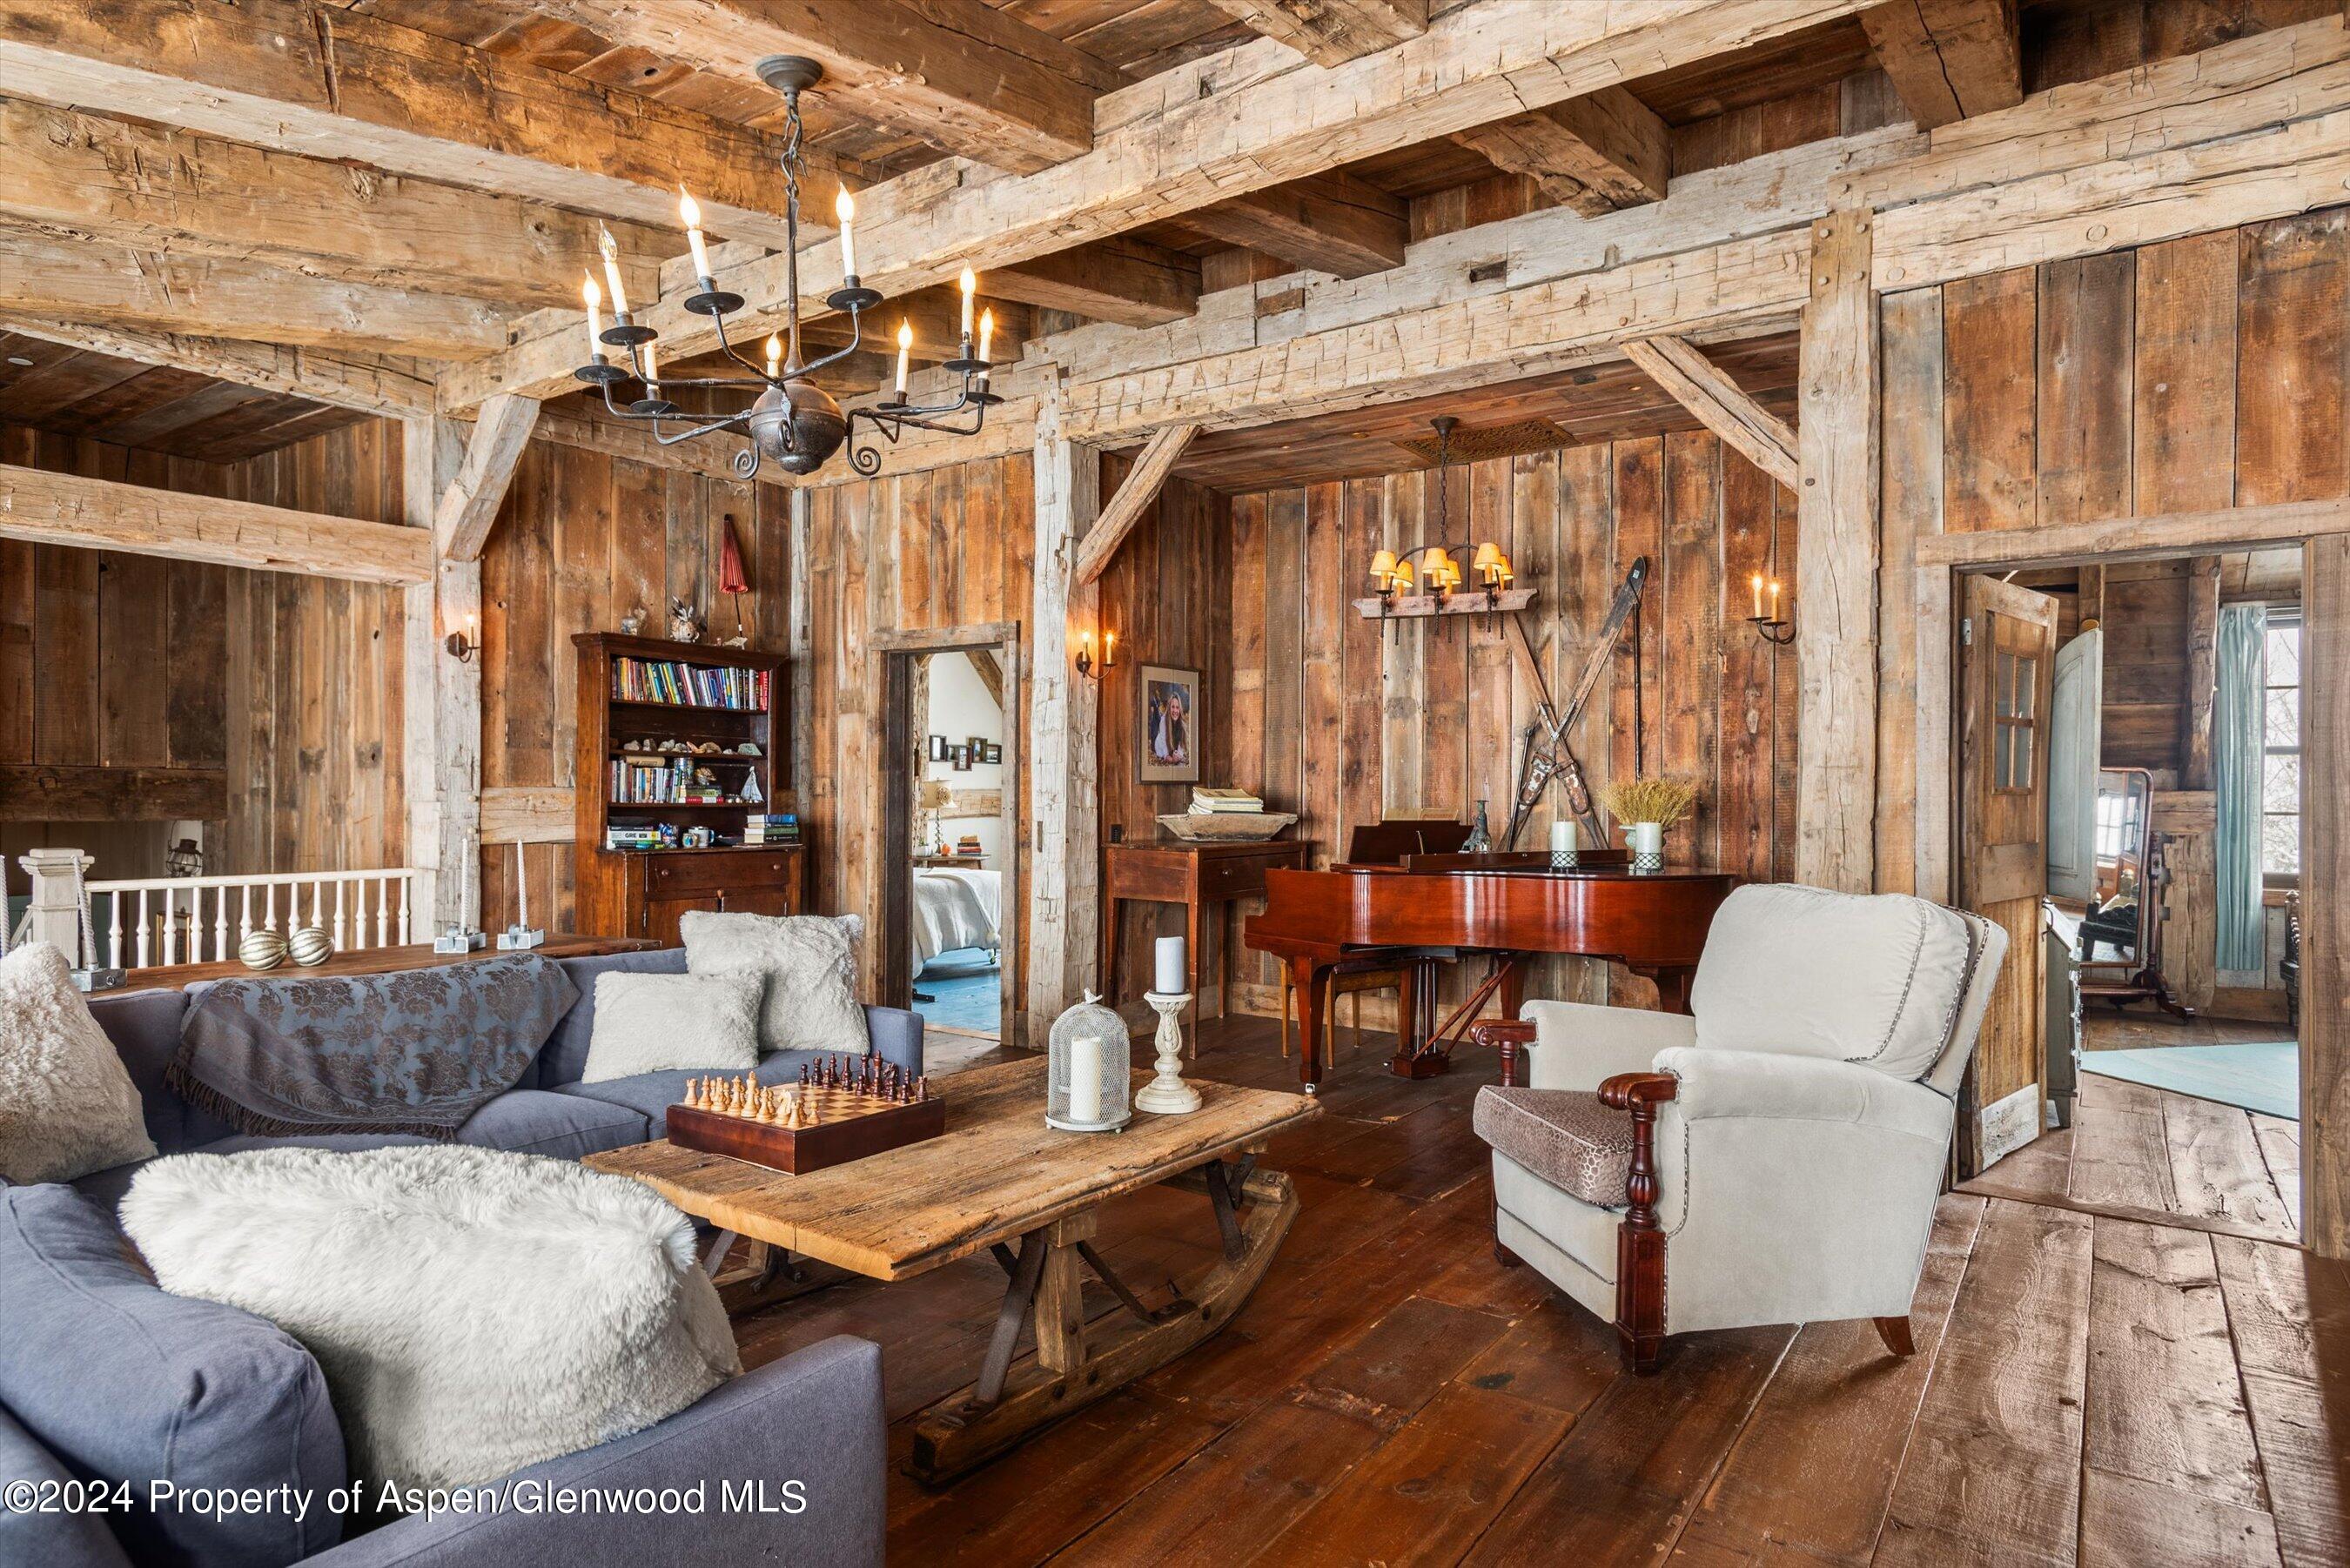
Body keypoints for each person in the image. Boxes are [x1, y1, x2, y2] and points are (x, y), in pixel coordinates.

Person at [1151, 684, 1190, 766]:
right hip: (1159, 745)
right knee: (1156, 723)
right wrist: (1170, 758)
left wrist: (1178, 755)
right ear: (1169, 708)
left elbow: (1181, 747)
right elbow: (1164, 747)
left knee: (1159, 717)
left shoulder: (1182, 724)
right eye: (1173, 707)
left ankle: (1156, 707)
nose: (1175, 710)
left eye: (1177, 707)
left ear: (1180, 709)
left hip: (1171, 747)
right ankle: (1155, 706)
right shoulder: (1164, 721)